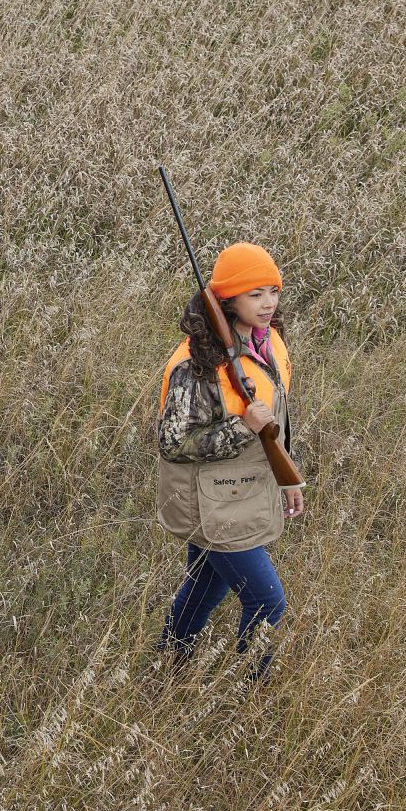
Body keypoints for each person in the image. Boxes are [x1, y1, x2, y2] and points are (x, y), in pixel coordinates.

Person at [154, 242, 305, 677]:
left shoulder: (267, 341)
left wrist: (287, 476)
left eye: (272, 291)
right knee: (267, 600)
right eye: (254, 294)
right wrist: (244, 428)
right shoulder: (194, 364)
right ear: (228, 299)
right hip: (210, 501)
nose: (268, 303)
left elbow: (273, 416)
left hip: (244, 490)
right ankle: (248, 694)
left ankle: (166, 671)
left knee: (205, 585)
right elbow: (173, 443)